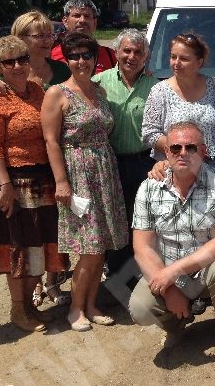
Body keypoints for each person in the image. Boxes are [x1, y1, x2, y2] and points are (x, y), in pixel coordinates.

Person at [128, 122, 215, 375]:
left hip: (208, 270)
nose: (183, 152)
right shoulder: (149, 188)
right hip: (169, 268)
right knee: (140, 308)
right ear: (166, 153)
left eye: (190, 147)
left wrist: (172, 274)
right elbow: (142, 247)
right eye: (175, 147)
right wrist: (169, 287)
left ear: (203, 151)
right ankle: (177, 325)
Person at [40, 32, 128, 332]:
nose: (81, 61)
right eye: (74, 56)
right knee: (88, 248)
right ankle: (75, 309)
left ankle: (91, 304)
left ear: (94, 59)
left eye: (86, 56)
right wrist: (61, 182)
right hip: (78, 175)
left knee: (101, 246)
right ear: (66, 58)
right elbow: (51, 141)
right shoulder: (57, 93)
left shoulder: (99, 91)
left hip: (105, 172)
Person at [0, 36, 65, 333]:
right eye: (9, 62)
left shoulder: (37, 90)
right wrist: (4, 184)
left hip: (42, 178)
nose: (17, 66)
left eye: (22, 59)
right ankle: (18, 309)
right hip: (14, 182)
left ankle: (29, 306)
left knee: (39, 248)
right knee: (19, 248)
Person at [92, 29, 159, 293]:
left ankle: (143, 276)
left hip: (146, 163)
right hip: (111, 163)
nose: (132, 56)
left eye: (138, 52)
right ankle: (117, 282)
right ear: (117, 52)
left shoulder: (156, 86)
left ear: (146, 57)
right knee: (116, 222)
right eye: (127, 51)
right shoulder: (98, 83)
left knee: (143, 220)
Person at [142, 33, 215, 165]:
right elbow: (149, 134)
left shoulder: (214, 85)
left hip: (212, 169)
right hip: (175, 170)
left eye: (184, 59)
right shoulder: (160, 91)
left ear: (199, 62)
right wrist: (185, 152)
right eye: (173, 57)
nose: (176, 63)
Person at [50, 0, 117, 74]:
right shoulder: (52, 55)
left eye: (87, 16)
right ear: (65, 21)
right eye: (76, 16)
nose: (82, 20)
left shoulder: (110, 55)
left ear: (95, 22)